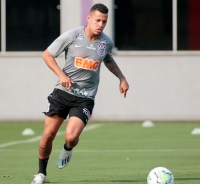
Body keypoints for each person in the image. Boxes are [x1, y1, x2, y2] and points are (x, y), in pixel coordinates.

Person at [31, 3, 129, 184]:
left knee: (71, 136)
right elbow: (47, 54)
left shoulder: (106, 42)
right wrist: (61, 75)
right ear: (89, 18)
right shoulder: (72, 35)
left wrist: (121, 78)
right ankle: (41, 174)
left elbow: (108, 60)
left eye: (104, 22)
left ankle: (68, 148)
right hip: (62, 93)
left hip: (85, 98)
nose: (100, 25)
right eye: (98, 20)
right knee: (48, 136)